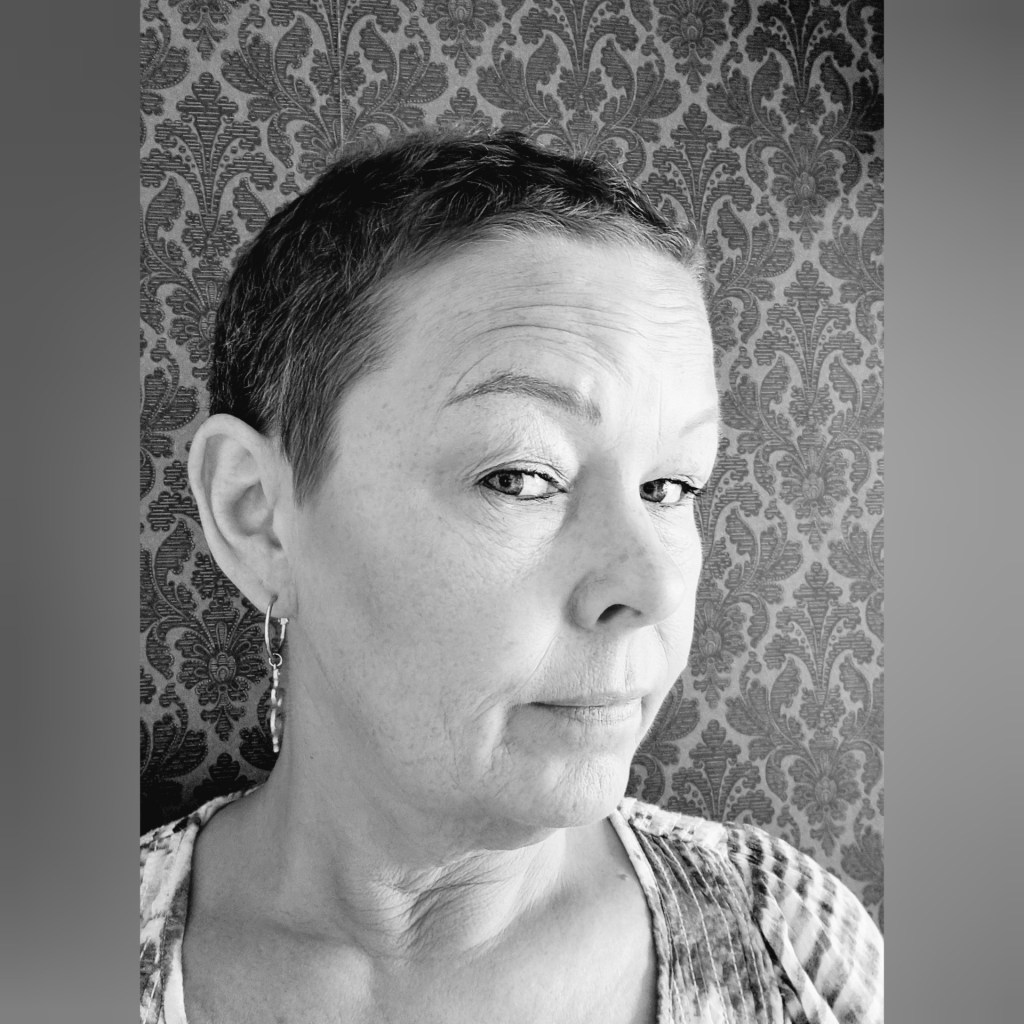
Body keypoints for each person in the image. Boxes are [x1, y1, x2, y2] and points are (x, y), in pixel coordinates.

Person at [140, 131, 883, 1024]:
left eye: (671, 487)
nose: (652, 588)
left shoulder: (792, 945)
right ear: (259, 515)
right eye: (521, 476)